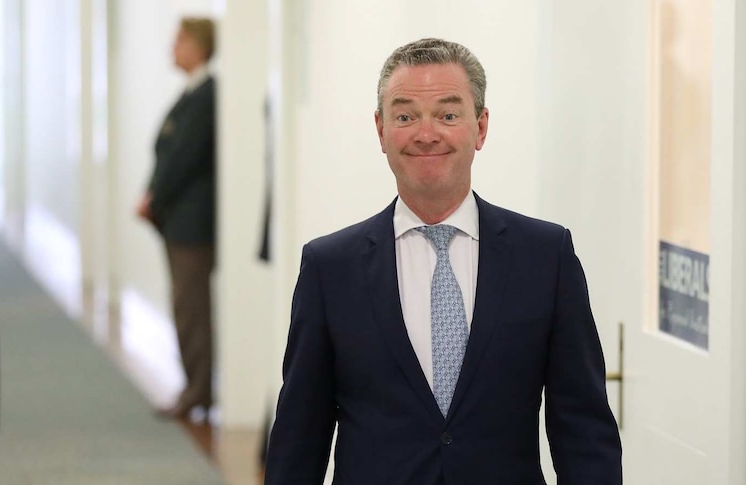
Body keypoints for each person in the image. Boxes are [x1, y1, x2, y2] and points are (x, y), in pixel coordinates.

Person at [264, 38, 622, 484]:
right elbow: (300, 437)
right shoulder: (329, 267)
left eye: (448, 115)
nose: (426, 133)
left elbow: (583, 430)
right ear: (380, 130)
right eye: (405, 116)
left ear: (481, 127)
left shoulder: (546, 257)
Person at [137, 17, 216, 420]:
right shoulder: (192, 93)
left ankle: (198, 391)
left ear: (199, 47)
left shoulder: (206, 95)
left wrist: (154, 198)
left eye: (179, 41)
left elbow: (181, 158)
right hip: (178, 220)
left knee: (191, 309)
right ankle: (195, 388)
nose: (172, 47)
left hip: (191, 224)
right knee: (186, 307)